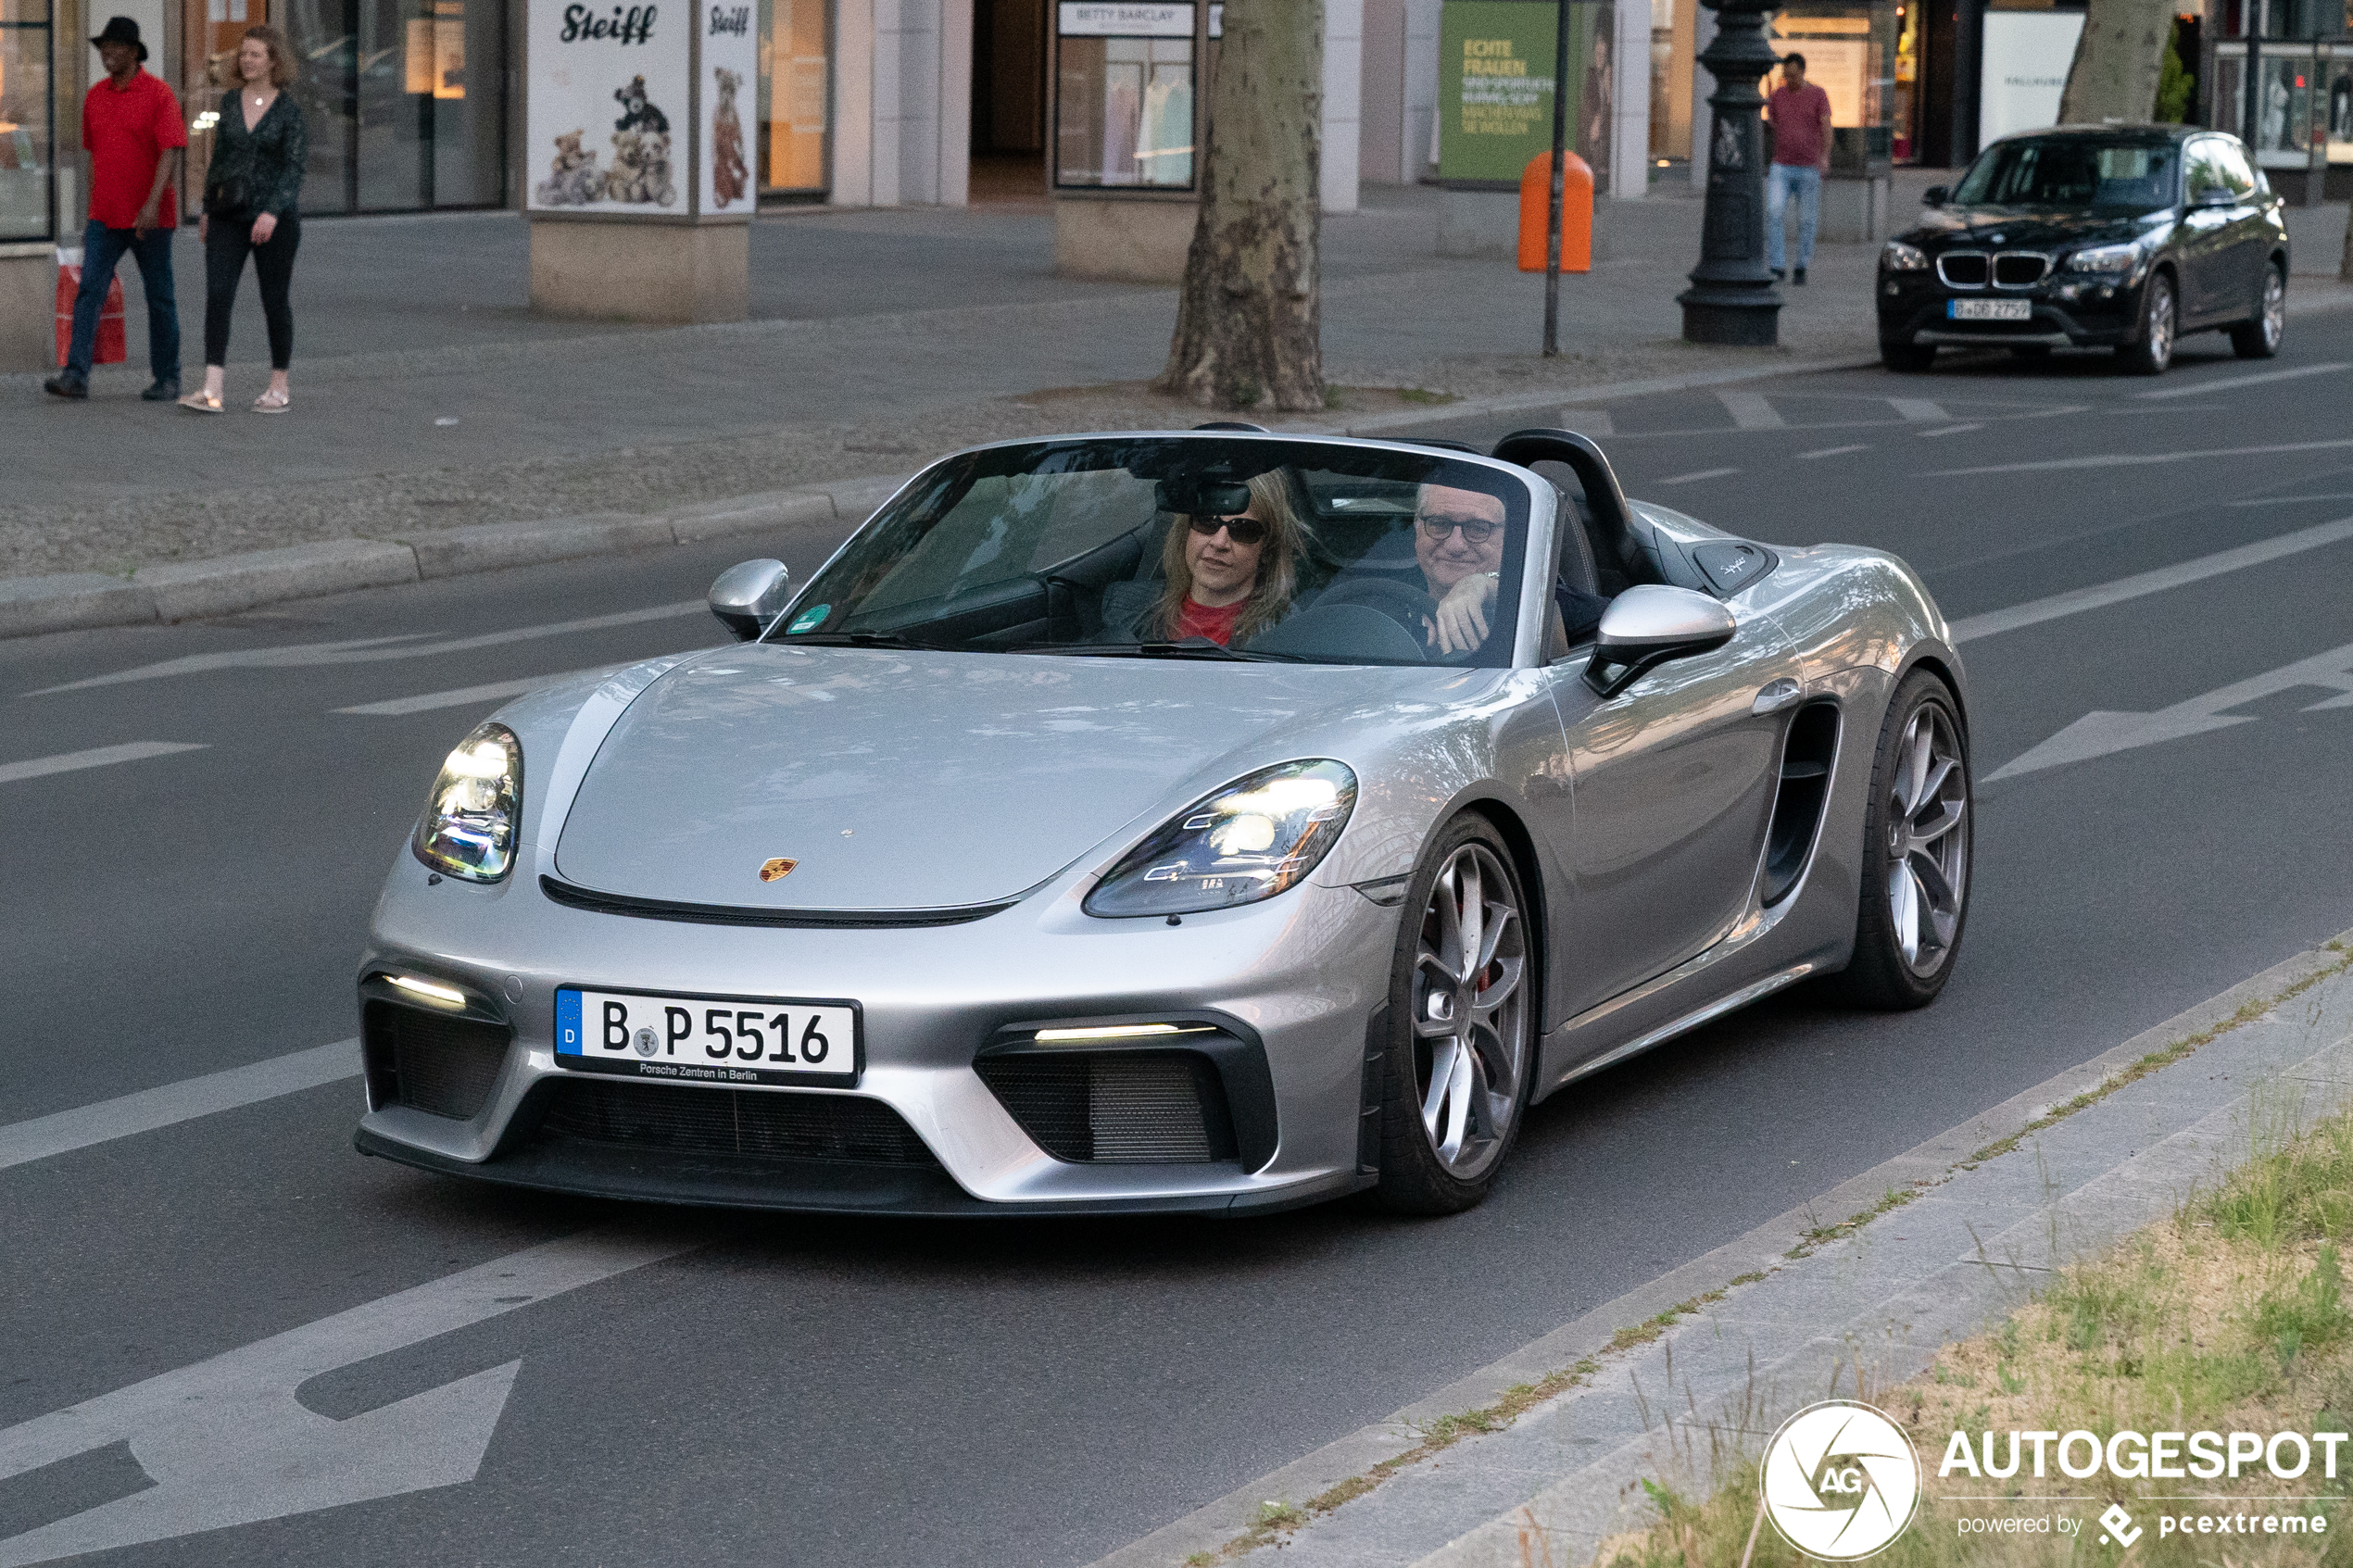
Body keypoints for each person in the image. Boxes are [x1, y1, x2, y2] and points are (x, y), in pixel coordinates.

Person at [45, 17, 184, 402]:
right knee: (88, 291)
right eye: (102, 47)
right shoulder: (95, 96)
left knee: (159, 295)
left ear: (134, 51)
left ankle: (168, 378)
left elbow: (171, 149)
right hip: (105, 216)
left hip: (149, 217)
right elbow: (92, 155)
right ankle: (75, 376)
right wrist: (93, 205)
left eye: (114, 46)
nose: (106, 53)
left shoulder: (158, 94)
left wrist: (153, 204)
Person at [182, 26, 307, 414]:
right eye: (243, 54)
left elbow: (294, 168)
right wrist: (206, 208)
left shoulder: (289, 111)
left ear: (273, 61)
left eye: (255, 54)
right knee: (219, 296)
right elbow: (219, 159)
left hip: (274, 222)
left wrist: (272, 212)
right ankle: (212, 386)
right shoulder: (230, 102)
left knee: (274, 301)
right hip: (228, 216)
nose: (246, 61)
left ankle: (278, 385)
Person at [1103, 472, 1306, 647]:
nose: (1219, 542)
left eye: (1242, 529)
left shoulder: (1288, 635)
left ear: (1268, 549)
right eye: (1207, 521)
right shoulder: (1124, 609)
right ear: (1187, 531)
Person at [1412, 483, 1609, 657]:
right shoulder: (1385, 594)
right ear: (1417, 525)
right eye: (1438, 523)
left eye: (1478, 528)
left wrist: (1494, 588)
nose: (1455, 545)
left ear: (1510, 536)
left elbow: (1628, 623)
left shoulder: (1540, 601)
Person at [1763, 52, 1832, 285]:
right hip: (1781, 165)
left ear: (1803, 72)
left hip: (1808, 167)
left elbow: (1826, 126)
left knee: (1807, 220)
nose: (1789, 80)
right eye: (1786, 76)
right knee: (1774, 213)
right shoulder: (1777, 96)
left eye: (1793, 76)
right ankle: (1777, 265)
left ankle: (1801, 265)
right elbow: (1772, 123)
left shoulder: (1818, 95)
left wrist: (1824, 156)